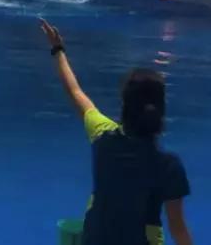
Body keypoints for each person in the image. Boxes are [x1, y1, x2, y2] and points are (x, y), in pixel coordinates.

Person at [39, 19, 193, 245]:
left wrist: (58, 50)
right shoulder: (169, 166)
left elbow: (75, 91)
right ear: (160, 113)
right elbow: (178, 230)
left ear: (124, 106)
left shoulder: (102, 136)